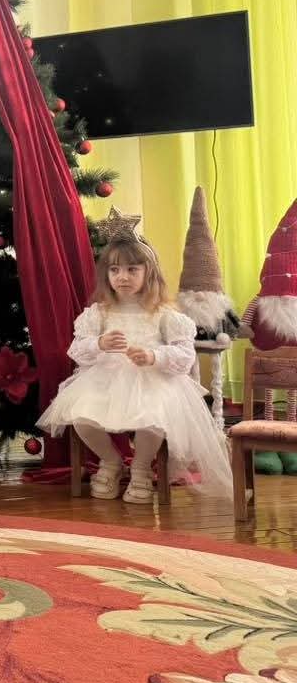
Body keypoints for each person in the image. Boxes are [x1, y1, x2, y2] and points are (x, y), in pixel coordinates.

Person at [37, 211, 233, 503]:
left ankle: (141, 468)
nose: (123, 277)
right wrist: (100, 343)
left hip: (153, 381)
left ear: (148, 272)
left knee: (152, 418)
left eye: (132, 269)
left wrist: (154, 355)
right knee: (81, 416)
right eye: (115, 270)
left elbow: (184, 354)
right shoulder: (98, 313)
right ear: (106, 275)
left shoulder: (163, 314)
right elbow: (77, 350)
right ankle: (111, 461)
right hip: (104, 379)